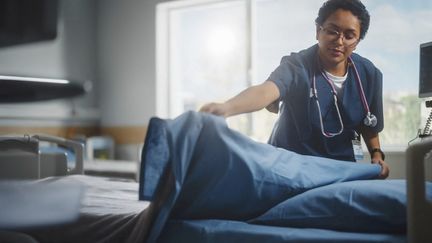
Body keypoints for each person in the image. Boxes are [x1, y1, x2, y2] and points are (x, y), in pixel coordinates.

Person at [200, 0, 390, 179]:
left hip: (341, 167)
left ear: (357, 41)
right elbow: (266, 91)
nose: (340, 41)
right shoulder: (297, 65)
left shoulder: (369, 74)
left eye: (349, 36)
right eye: (332, 31)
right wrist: (226, 108)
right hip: (291, 166)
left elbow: (369, 124)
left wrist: (376, 154)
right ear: (318, 31)